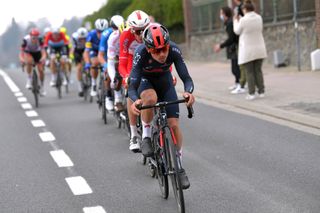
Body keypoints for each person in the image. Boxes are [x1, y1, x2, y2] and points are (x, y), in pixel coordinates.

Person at [128, 24, 195, 189]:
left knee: (173, 125)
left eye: (164, 49)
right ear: (148, 49)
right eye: (156, 51)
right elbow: (132, 84)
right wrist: (136, 100)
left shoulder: (174, 50)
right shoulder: (140, 53)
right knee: (150, 98)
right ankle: (146, 135)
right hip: (145, 81)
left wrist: (188, 93)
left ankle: (178, 166)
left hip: (165, 81)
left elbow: (186, 78)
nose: (162, 54)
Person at [119, 10, 150, 152]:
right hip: (132, 63)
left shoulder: (153, 30)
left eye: (144, 31)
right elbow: (122, 62)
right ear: (131, 30)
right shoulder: (125, 36)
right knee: (131, 86)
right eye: (138, 32)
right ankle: (134, 135)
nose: (141, 35)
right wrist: (126, 76)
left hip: (149, 62)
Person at [233, 0, 267, 100]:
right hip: (259, 48)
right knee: (258, 71)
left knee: (249, 72)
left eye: (243, 9)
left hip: (248, 50)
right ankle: (261, 91)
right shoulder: (259, 18)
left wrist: (236, 21)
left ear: (245, 9)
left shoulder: (243, 20)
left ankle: (251, 93)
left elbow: (237, 31)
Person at [214, 6, 244, 94]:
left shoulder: (230, 23)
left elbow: (231, 38)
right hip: (232, 48)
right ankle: (237, 83)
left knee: (235, 68)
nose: (220, 15)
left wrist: (220, 45)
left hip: (234, 48)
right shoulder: (228, 23)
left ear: (225, 14)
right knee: (234, 67)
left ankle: (240, 85)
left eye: (221, 13)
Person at [98, 15, 124, 111]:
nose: (117, 30)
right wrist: (105, 65)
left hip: (121, 54)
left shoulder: (126, 30)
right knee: (110, 75)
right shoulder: (106, 35)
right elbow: (100, 55)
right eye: (115, 28)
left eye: (119, 28)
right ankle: (109, 96)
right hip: (108, 55)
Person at [84, 18, 109, 97]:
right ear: (96, 30)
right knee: (94, 63)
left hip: (106, 52)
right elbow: (86, 52)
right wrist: (88, 63)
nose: (101, 34)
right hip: (94, 52)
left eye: (103, 31)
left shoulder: (110, 34)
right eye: (99, 31)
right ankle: (94, 84)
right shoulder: (91, 35)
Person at [19, 28, 47, 95]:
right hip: (28, 53)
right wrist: (22, 60)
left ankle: (42, 86)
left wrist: (43, 58)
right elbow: (21, 53)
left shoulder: (40, 40)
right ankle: (29, 79)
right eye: (33, 38)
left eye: (36, 38)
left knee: (41, 70)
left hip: (38, 53)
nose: (35, 39)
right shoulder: (25, 40)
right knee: (29, 61)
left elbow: (44, 53)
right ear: (30, 36)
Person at [71, 27, 88, 96]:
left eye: (84, 39)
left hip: (86, 50)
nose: (83, 40)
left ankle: (88, 76)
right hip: (78, 51)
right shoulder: (74, 37)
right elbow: (73, 49)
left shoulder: (89, 37)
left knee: (88, 62)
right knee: (79, 68)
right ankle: (80, 87)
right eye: (81, 39)